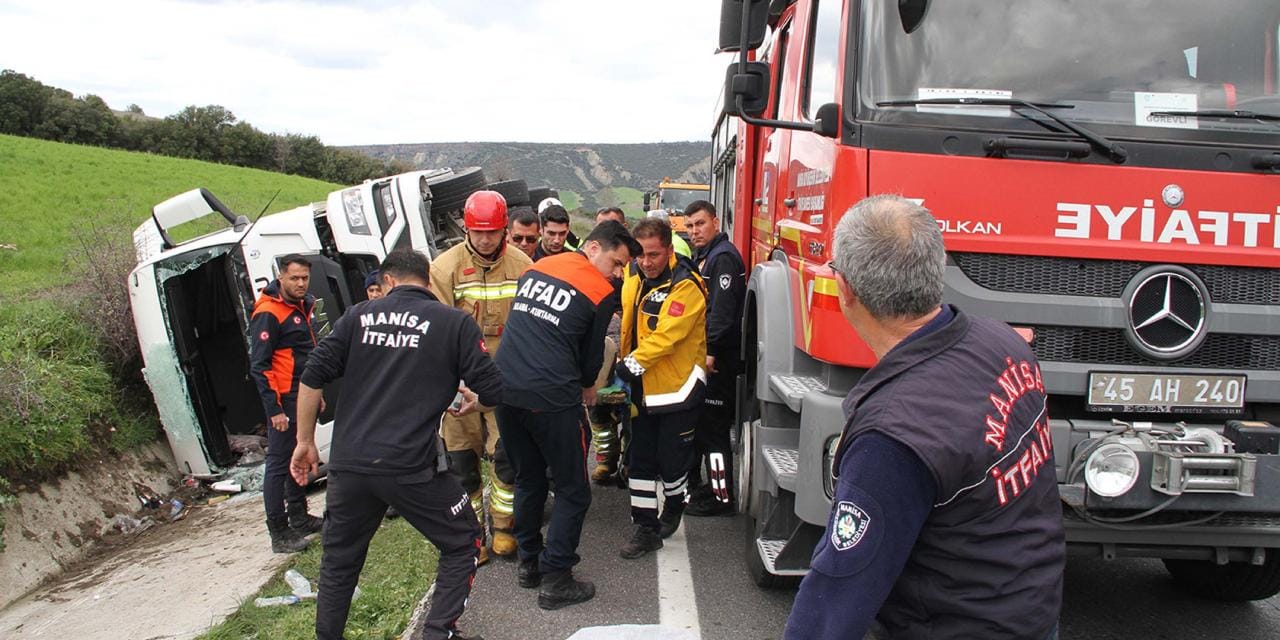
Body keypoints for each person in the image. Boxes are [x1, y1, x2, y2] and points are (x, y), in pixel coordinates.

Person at [784, 195, 1064, 640]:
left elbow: (837, 596)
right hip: (1032, 612)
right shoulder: (1003, 343)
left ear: (848, 289)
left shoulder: (891, 436)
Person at [290, 249, 501, 640]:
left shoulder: (357, 317)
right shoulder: (454, 323)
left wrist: (304, 441)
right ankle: (439, 632)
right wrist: (476, 400)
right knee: (464, 541)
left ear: (387, 281)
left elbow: (312, 375)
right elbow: (491, 389)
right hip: (410, 467)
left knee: (339, 563)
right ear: (427, 280)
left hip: (349, 466)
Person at [494, 220, 640, 610]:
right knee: (573, 490)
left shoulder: (536, 268)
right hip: (551, 396)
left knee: (528, 478)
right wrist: (589, 387)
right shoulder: (599, 290)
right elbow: (591, 357)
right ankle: (557, 577)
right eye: (616, 262)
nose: (617, 273)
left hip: (505, 388)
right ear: (592, 248)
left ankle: (529, 563)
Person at [430, 189, 532, 564]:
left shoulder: (523, 266)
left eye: (492, 232)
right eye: (478, 232)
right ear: (466, 229)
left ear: (504, 229)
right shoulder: (444, 268)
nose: (485, 240)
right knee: (461, 464)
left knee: (506, 457)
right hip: (460, 382)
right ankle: (473, 537)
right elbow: (437, 332)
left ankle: (505, 528)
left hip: (506, 380)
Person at [614, 217, 708, 558]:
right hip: (641, 388)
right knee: (639, 460)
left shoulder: (686, 285)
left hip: (677, 389)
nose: (646, 261)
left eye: (654, 255)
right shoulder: (633, 274)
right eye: (641, 254)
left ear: (669, 249)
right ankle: (645, 528)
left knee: (672, 463)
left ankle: (674, 504)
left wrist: (626, 367)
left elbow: (667, 337)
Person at [247, 254, 324, 554]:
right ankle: (278, 531)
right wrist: (274, 409)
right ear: (281, 278)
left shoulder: (302, 307)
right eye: (295, 278)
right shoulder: (268, 312)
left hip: (304, 394)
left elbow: (307, 355)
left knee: (299, 457)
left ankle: (299, 516)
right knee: (278, 465)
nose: (301, 283)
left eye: (305, 278)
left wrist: (316, 394)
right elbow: (260, 365)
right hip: (284, 399)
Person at [683, 200, 746, 517]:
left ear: (716, 222)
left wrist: (709, 353)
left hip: (719, 361)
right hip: (708, 357)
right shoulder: (706, 257)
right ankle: (710, 488)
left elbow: (721, 316)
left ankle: (722, 497)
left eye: (700, 224)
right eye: (690, 226)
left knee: (714, 433)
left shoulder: (722, 259)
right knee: (706, 429)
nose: (695, 231)